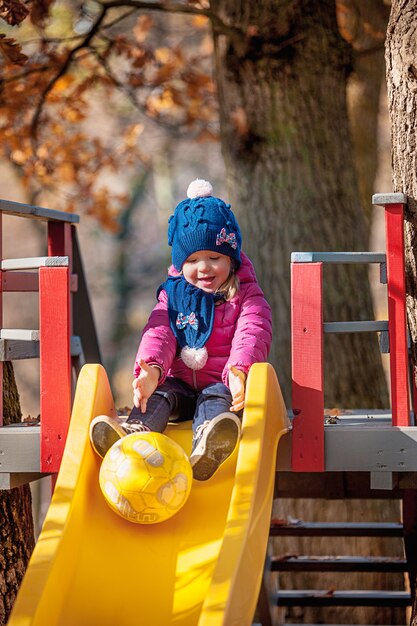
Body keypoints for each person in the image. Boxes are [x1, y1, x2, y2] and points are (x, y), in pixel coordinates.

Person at [90, 178, 272, 480]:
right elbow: (159, 331)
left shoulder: (245, 296)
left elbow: (253, 331)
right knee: (161, 394)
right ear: (179, 262)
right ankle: (134, 437)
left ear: (232, 257)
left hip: (223, 384)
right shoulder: (172, 295)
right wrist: (150, 369)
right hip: (180, 385)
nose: (204, 268)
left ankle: (209, 444)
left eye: (215, 258)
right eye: (192, 260)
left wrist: (240, 371)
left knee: (215, 398)